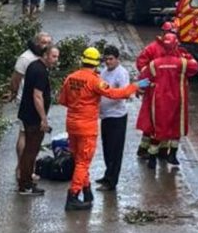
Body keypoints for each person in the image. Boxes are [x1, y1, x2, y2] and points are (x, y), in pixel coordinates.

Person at [58, 47, 147, 211]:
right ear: (96, 62)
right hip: (87, 127)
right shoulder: (95, 81)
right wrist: (134, 87)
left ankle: (87, 191)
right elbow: (115, 94)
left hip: (71, 125)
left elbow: (63, 100)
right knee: (83, 162)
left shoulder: (70, 78)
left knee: (79, 160)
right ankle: (73, 195)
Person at [137, 34, 198, 168]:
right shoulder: (182, 62)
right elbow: (195, 67)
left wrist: (139, 88)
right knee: (176, 126)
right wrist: (186, 55)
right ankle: (172, 154)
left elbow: (143, 74)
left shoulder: (154, 63)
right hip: (178, 99)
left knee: (157, 127)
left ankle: (152, 158)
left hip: (159, 99)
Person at [16, 46, 60, 196]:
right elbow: (37, 96)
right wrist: (43, 118)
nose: (56, 60)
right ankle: (26, 185)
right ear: (45, 55)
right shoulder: (41, 71)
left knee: (29, 150)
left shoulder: (33, 66)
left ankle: (25, 182)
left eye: (57, 57)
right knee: (31, 151)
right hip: (33, 118)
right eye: (54, 56)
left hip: (26, 114)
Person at [8, 33, 53, 181]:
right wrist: (14, 93)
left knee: (31, 137)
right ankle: (23, 170)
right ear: (36, 42)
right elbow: (16, 79)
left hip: (36, 101)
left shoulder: (44, 57)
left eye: (49, 42)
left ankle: (25, 169)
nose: (46, 45)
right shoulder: (25, 58)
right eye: (43, 42)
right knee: (25, 135)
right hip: (26, 101)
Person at [135, 22, 178, 159]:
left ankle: (162, 149)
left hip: (169, 91)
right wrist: (147, 80)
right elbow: (141, 64)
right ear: (163, 33)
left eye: (174, 33)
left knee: (167, 120)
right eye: (169, 33)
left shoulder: (176, 48)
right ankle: (144, 148)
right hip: (154, 90)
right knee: (151, 121)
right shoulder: (152, 48)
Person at [96, 46, 131, 192]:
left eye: (111, 59)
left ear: (117, 59)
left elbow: (125, 93)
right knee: (107, 148)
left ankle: (112, 181)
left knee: (115, 150)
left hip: (117, 116)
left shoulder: (121, 74)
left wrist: (109, 93)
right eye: (106, 59)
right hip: (105, 115)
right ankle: (107, 174)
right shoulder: (104, 72)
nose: (108, 62)